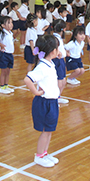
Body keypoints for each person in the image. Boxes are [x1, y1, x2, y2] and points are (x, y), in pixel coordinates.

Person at [24, 34, 61, 168]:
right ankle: (39, 156)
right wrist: (36, 92)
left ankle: (44, 153)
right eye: (57, 48)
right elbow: (27, 79)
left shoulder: (49, 63)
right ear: (52, 51)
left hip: (52, 102)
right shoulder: (42, 67)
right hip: (44, 103)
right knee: (46, 131)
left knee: (49, 130)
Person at [0, 16, 15, 94]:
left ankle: (6, 85)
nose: (11, 24)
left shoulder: (10, 33)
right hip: (3, 54)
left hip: (10, 54)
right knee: (3, 72)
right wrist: (0, 44)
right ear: (3, 25)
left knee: (8, 71)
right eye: (8, 23)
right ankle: (1, 87)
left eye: (11, 22)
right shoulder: (2, 33)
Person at [52, 19, 69, 105]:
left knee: (63, 80)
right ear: (64, 29)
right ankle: (55, 98)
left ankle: (58, 96)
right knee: (59, 80)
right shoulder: (55, 38)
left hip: (61, 61)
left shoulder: (57, 38)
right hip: (57, 61)